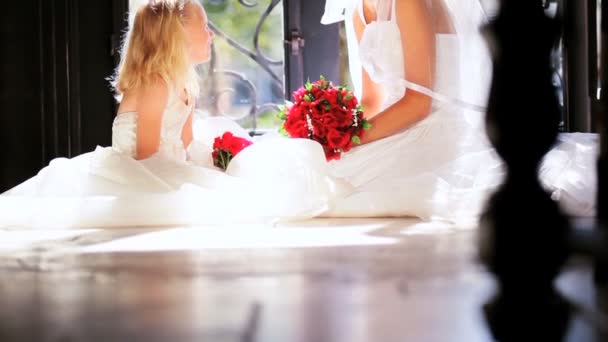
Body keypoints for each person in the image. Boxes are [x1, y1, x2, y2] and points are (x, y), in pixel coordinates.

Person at [0, 0, 346, 228]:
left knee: (234, 188)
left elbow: (184, 146)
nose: (210, 35)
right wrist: (190, 182)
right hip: (135, 172)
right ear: (175, 35)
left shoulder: (184, 85)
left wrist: (208, 167)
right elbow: (146, 156)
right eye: (203, 26)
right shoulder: (154, 83)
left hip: (166, 168)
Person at [320, 0, 598, 222]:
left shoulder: (408, 2)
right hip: (398, 123)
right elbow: (371, 99)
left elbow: (419, 102)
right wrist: (337, 130)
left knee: (349, 183)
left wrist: (354, 139)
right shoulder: (359, 11)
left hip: (432, 123)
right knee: (328, 169)